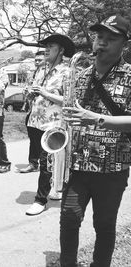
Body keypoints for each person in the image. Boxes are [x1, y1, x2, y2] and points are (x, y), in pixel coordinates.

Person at [60, 14, 131, 267]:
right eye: (99, 37)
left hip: (112, 168)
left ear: (125, 43)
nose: (101, 43)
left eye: (110, 39)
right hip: (78, 166)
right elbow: (71, 113)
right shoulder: (79, 75)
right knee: (69, 219)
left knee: (104, 225)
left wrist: (97, 119)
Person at [24, 34, 75, 216]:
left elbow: (69, 101)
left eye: (50, 46)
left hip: (53, 124)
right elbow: (35, 90)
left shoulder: (67, 72)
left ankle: (40, 200)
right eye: (45, 46)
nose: (46, 49)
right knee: (42, 160)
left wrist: (45, 93)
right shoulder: (41, 69)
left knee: (46, 162)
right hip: (36, 121)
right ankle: (56, 188)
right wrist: (30, 93)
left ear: (61, 50)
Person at [19, 50, 45, 173]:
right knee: (33, 139)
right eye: (36, 60)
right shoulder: (33, 74)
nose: (37, 62)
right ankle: (33, 163)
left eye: (40, 60)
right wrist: (26, 92)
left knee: (44, 139)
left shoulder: (49, 74)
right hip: (32, 111)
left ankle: (46, 164)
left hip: (45, 113)